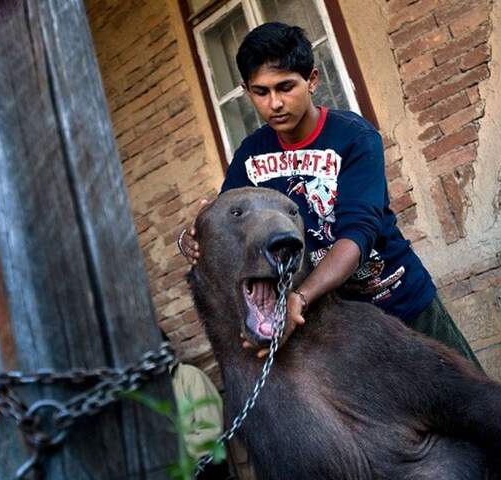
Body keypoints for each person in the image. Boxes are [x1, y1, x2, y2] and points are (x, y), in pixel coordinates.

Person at [178, 22, 481, 369]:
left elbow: (358, 233)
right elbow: (231, 225)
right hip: (330, 326)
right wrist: (191, 239)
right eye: (261, 92)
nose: (274, 103)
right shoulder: (250, 155)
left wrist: (299, 298)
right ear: (246, 91)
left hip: (398, 303)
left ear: (312, 80)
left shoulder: (354, 137)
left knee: (477, 412)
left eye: (286, 87)